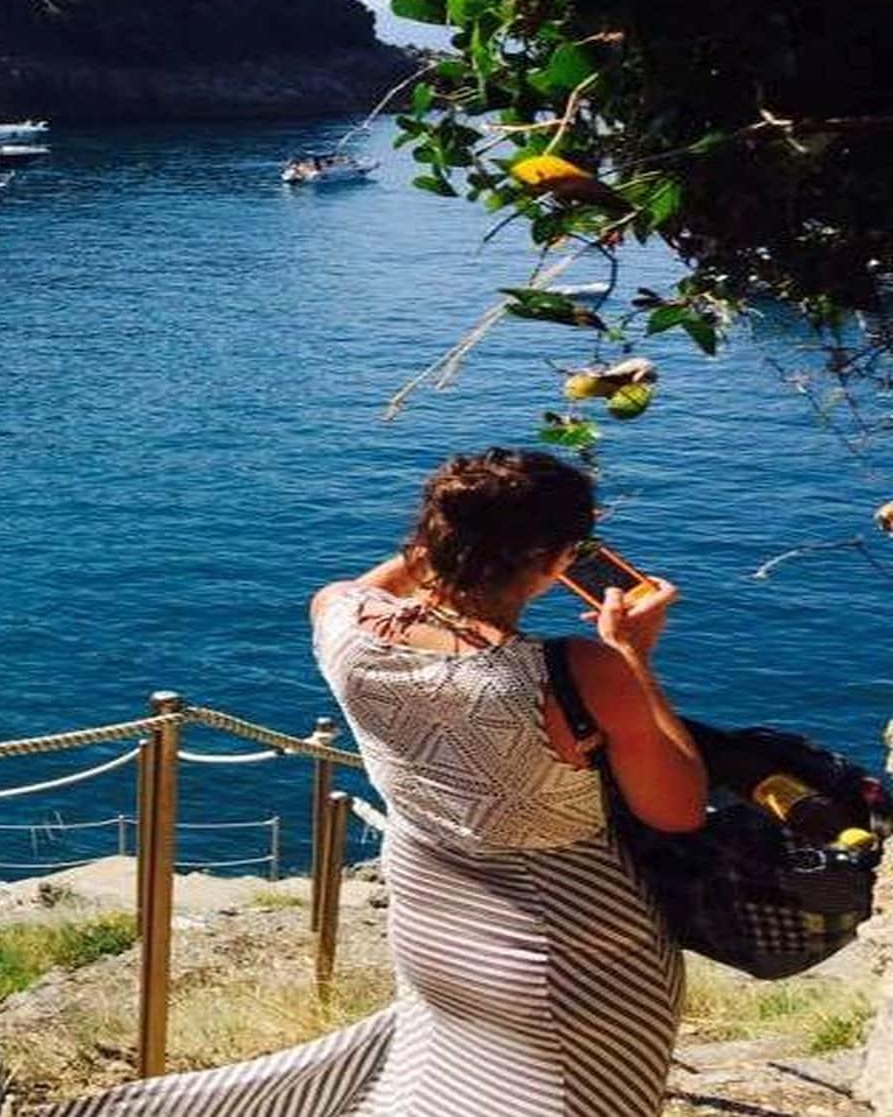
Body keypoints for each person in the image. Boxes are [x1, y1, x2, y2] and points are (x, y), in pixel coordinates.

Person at [41, 447, 706, 1117]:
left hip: (432, 922)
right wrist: (633, 656)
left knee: (439, 1086)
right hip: (576, 947)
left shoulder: (344, 628)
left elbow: (370, 590)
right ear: (553, 560)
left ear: (432, 536)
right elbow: (677, 808)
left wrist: (441, 548)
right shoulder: (580, 671)